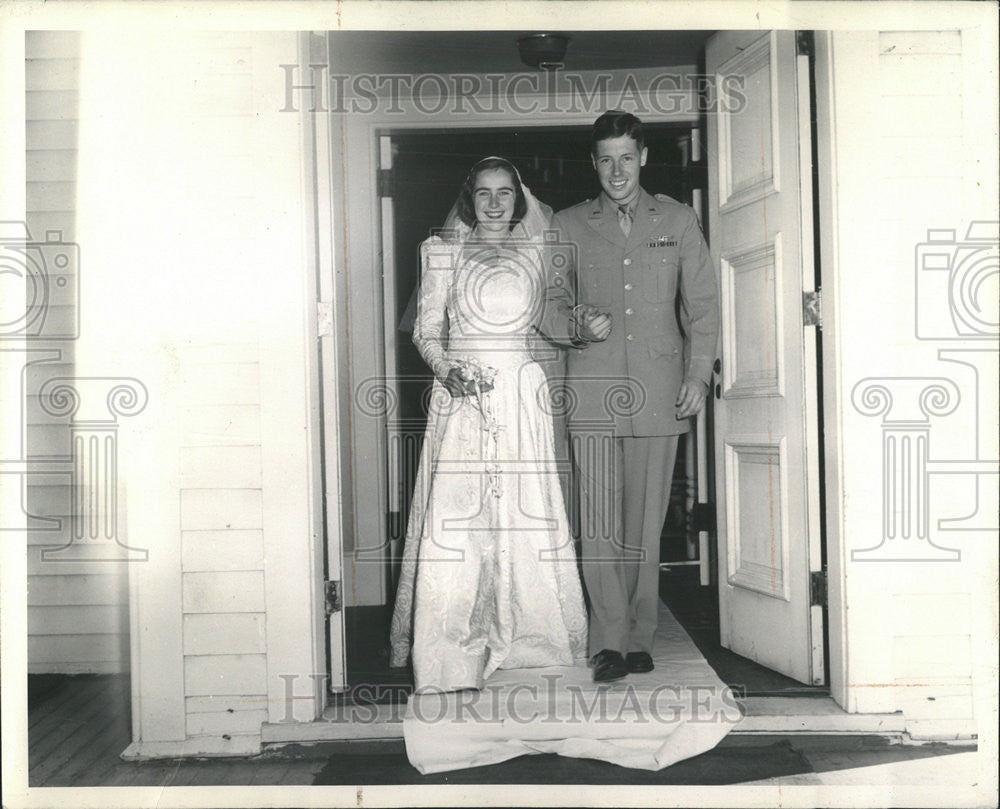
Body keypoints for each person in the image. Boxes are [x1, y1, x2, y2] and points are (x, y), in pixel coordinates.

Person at [389, 157, 588, 692]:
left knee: (522, 513)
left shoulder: (538, 253)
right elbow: (426, 331)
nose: (495, 203)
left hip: (522, 393)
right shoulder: (441, 253)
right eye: (484, 193)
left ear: (518, 201)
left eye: (505, 193)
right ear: (469, 199)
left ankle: (530, 634)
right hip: (462, 395)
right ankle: (453, 640)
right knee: (459, 518)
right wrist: (449, 370)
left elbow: (555, 317)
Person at [542, 111, 720, 683]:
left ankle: (640, 637)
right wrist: (574, 326)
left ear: (642, 157)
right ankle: (608, 641)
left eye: (626, 157)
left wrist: (697, 374)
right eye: (605, 159)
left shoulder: (676, 218)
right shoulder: (567, 224)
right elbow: (547, 303)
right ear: (593, 163)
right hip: (591, 393)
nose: (616, 170)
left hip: (659, 390)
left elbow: (703, 308)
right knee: (597, 524)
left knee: (645, 523)